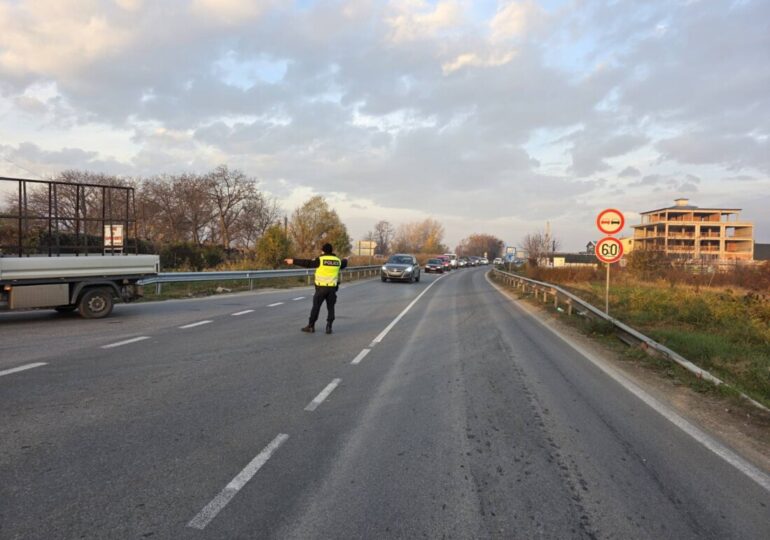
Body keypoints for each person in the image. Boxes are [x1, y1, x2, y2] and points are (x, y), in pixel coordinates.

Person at [284, 243, 347, 334]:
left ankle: (311, 326)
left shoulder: (320, 260)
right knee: (331, 308)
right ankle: (329, 327)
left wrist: (293, 261)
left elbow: (307, 263)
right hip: (332, 289)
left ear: (323, 251)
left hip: (321, 288)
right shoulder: (337, 261)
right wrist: (345, 259)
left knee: (316, 307)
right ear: (331, 251)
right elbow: (344, 264)